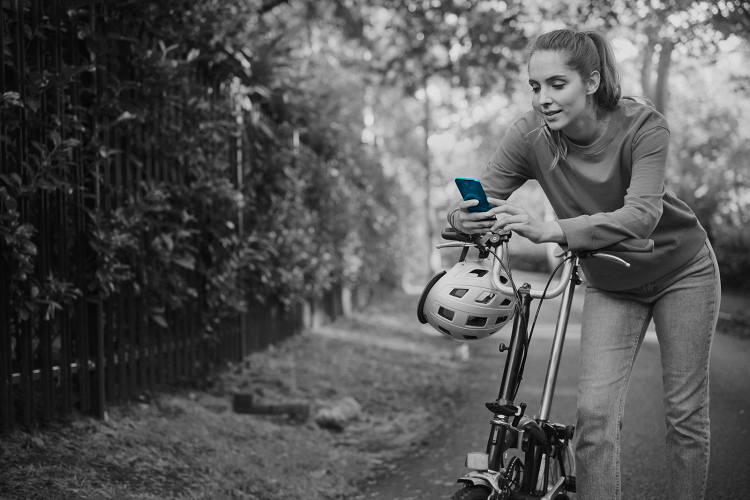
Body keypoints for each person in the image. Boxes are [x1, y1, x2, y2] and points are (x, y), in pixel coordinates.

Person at [447, 28, 720, 500]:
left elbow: (643, 215)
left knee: (684, 415)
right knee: (593, 417)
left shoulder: (643, 126)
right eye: (535, 87)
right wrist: (466, 217)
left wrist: (553, 229)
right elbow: (476, 202)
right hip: (612, 282)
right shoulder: (529, 136)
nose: (543, 99)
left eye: (557, 84)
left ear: (591, 82)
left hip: (683, 271)